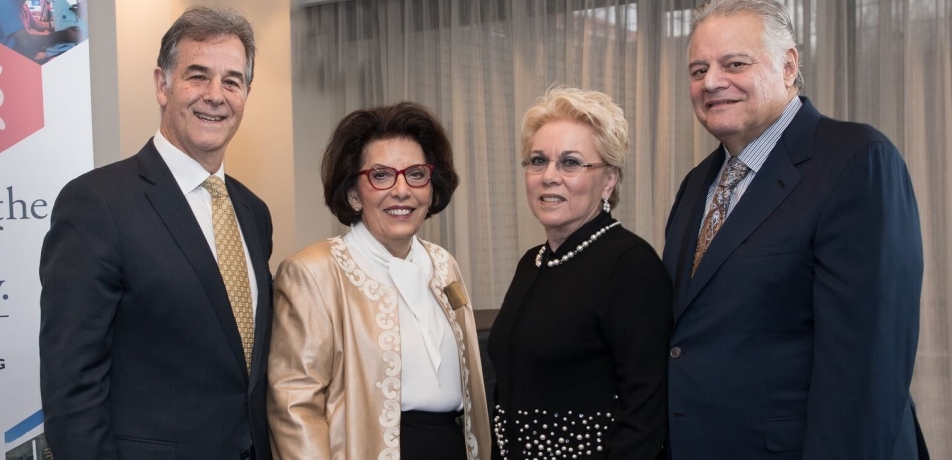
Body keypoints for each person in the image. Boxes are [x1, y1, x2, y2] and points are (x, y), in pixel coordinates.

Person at [662, 1, 929, 459]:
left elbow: (867, 372)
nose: (711, 82)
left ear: (788, 67)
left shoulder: (856, 160)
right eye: (698, 69)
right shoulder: (695, 186)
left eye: (735, 64)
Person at [39, 6, 273, 460]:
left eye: (231, 81)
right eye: (197, 76)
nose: (215, 95)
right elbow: (72, 391)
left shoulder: (253, 212)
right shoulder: (96, 204)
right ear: (162, 85)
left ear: (246, 93)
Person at [267, 101, 491, 460]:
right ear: (354, 193)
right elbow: (295, 407)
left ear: (432, 189)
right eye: (382, 175)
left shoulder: (444, 264)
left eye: (416, 174)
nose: (401, 190)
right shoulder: (314, 272)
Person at [487, 87, 672, 460]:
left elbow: (646, 411)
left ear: (608, 180)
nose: (549, 176)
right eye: (538, 161)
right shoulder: (532, 262)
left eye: (570, 163)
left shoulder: (631, 265)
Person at [0, 0, 79, 61]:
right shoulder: (6, 3)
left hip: (20, 50)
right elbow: (25, 40)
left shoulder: (22, 4)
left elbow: (34, 24)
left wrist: (56, 25)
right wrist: (63, 35)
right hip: (10, 56)